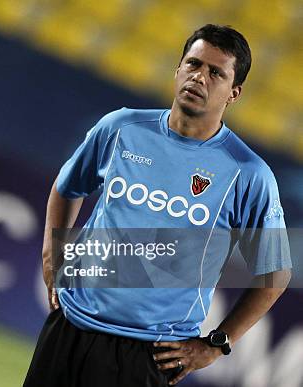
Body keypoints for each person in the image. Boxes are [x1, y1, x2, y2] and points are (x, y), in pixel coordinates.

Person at [23, 24, 292, 387]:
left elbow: (274, 275)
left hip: (148, 355)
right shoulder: (121, 128)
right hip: (69, 326)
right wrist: (52, 254)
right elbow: (68, 186)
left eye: (216, 73)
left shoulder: (248, 174)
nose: (200, 77)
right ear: (177, 69)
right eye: (193, 64)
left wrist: (217, 344)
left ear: (234, 93)